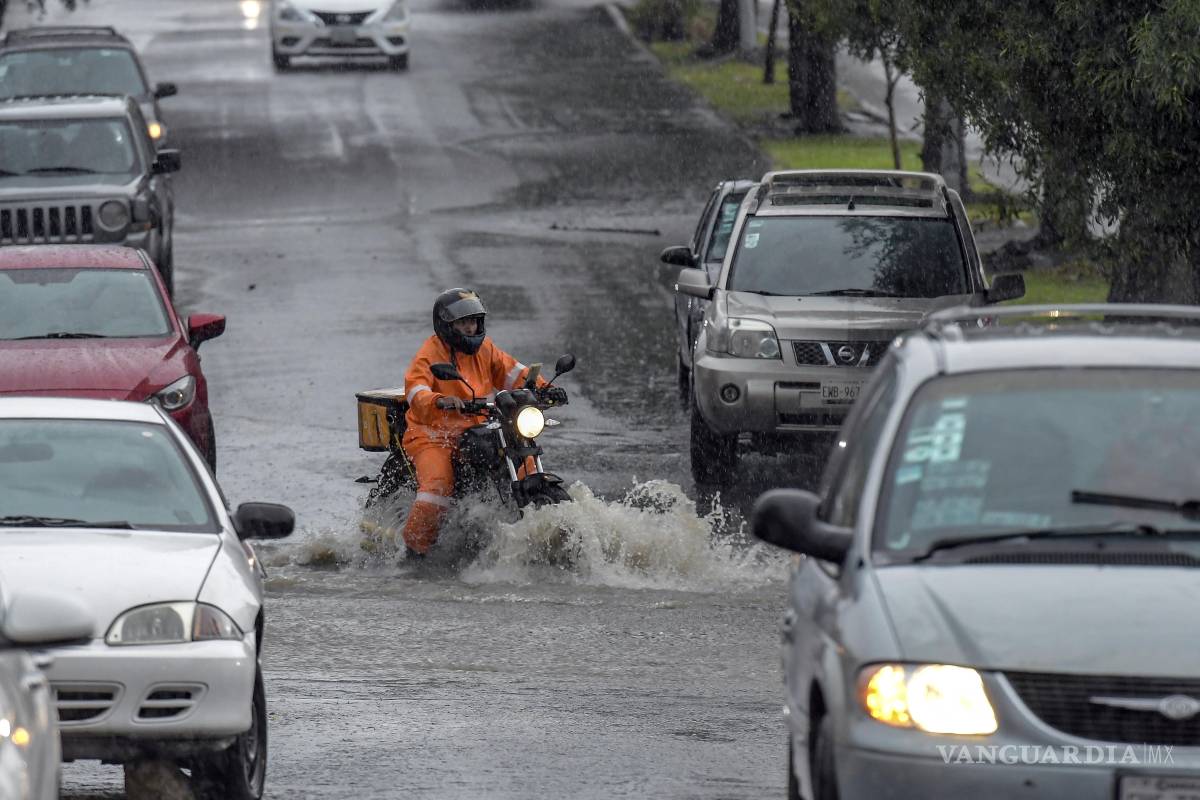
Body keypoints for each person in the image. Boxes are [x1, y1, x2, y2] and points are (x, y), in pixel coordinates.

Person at [399, 288, 566, 556]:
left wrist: (545, 388)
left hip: (478, 425)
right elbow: (415, 389)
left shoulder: (485, 349)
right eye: (464, 322)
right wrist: (438, 400)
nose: (471, 326)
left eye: (474, 320)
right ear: (447, 325)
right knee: (438, 486)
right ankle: (414, 550)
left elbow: (515, 372)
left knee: (527, 466)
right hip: (433, 433)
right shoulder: (430, 353)